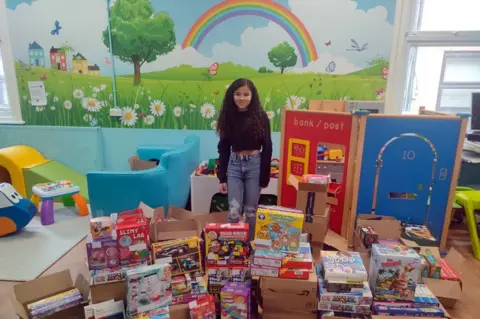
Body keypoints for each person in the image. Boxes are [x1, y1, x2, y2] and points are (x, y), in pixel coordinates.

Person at [216, 78, 273, 240]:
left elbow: (267, 145)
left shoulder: (261, 116)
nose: (242, 98)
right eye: (238, 94)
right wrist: (222, 177)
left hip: (254, 165)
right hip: (234, 165)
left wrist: (264, 175)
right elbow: (224, 147)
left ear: (252, 96)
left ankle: (250, 246)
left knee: (250, 211)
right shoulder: (228, 115)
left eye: (246, 94)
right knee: (234, 210)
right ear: (232, 96)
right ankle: (232, 249)